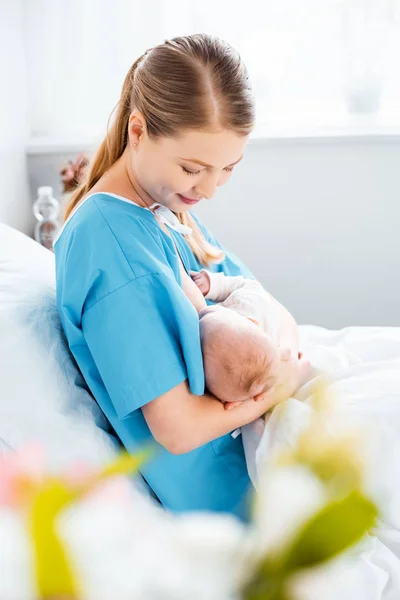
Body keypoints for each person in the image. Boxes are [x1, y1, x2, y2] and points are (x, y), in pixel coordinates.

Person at [54, 33, 304, 521]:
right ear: (139, 129)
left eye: (228, 168)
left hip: (268, 459)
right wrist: (278, 383)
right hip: (236, 500)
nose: (210, 188)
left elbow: (268, 306)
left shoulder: (163, 211)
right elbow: (179, 429)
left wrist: (281, 367)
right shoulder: (109, 244)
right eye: (194, 168)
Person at [192, 270, 312, 408]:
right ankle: (297, 371)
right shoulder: (249, 302)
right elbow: (243, 285)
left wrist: (213, 284)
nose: (202, 313)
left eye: (211, 311)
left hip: (281, 328)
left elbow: (244, 285)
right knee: (278, 369)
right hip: (279, 334)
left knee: (282, 365)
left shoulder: (248, 302)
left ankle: (297, 372)